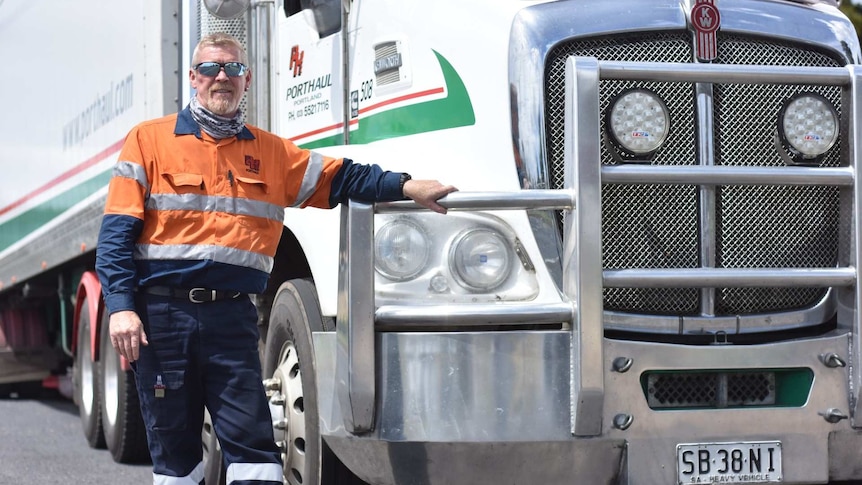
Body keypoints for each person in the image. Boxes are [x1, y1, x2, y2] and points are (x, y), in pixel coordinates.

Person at [95, 32, 457, 485]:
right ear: (193, 78)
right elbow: (115, 237)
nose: (221, 77)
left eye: (232, 68)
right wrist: (122, 308)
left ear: (246, 79)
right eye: (210, 69)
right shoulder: (148, 142)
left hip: (232, 319)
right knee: (175, 452)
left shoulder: (270, 153)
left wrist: (405, 186)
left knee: (255, 447)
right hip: (164, 317)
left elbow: (341, 178)